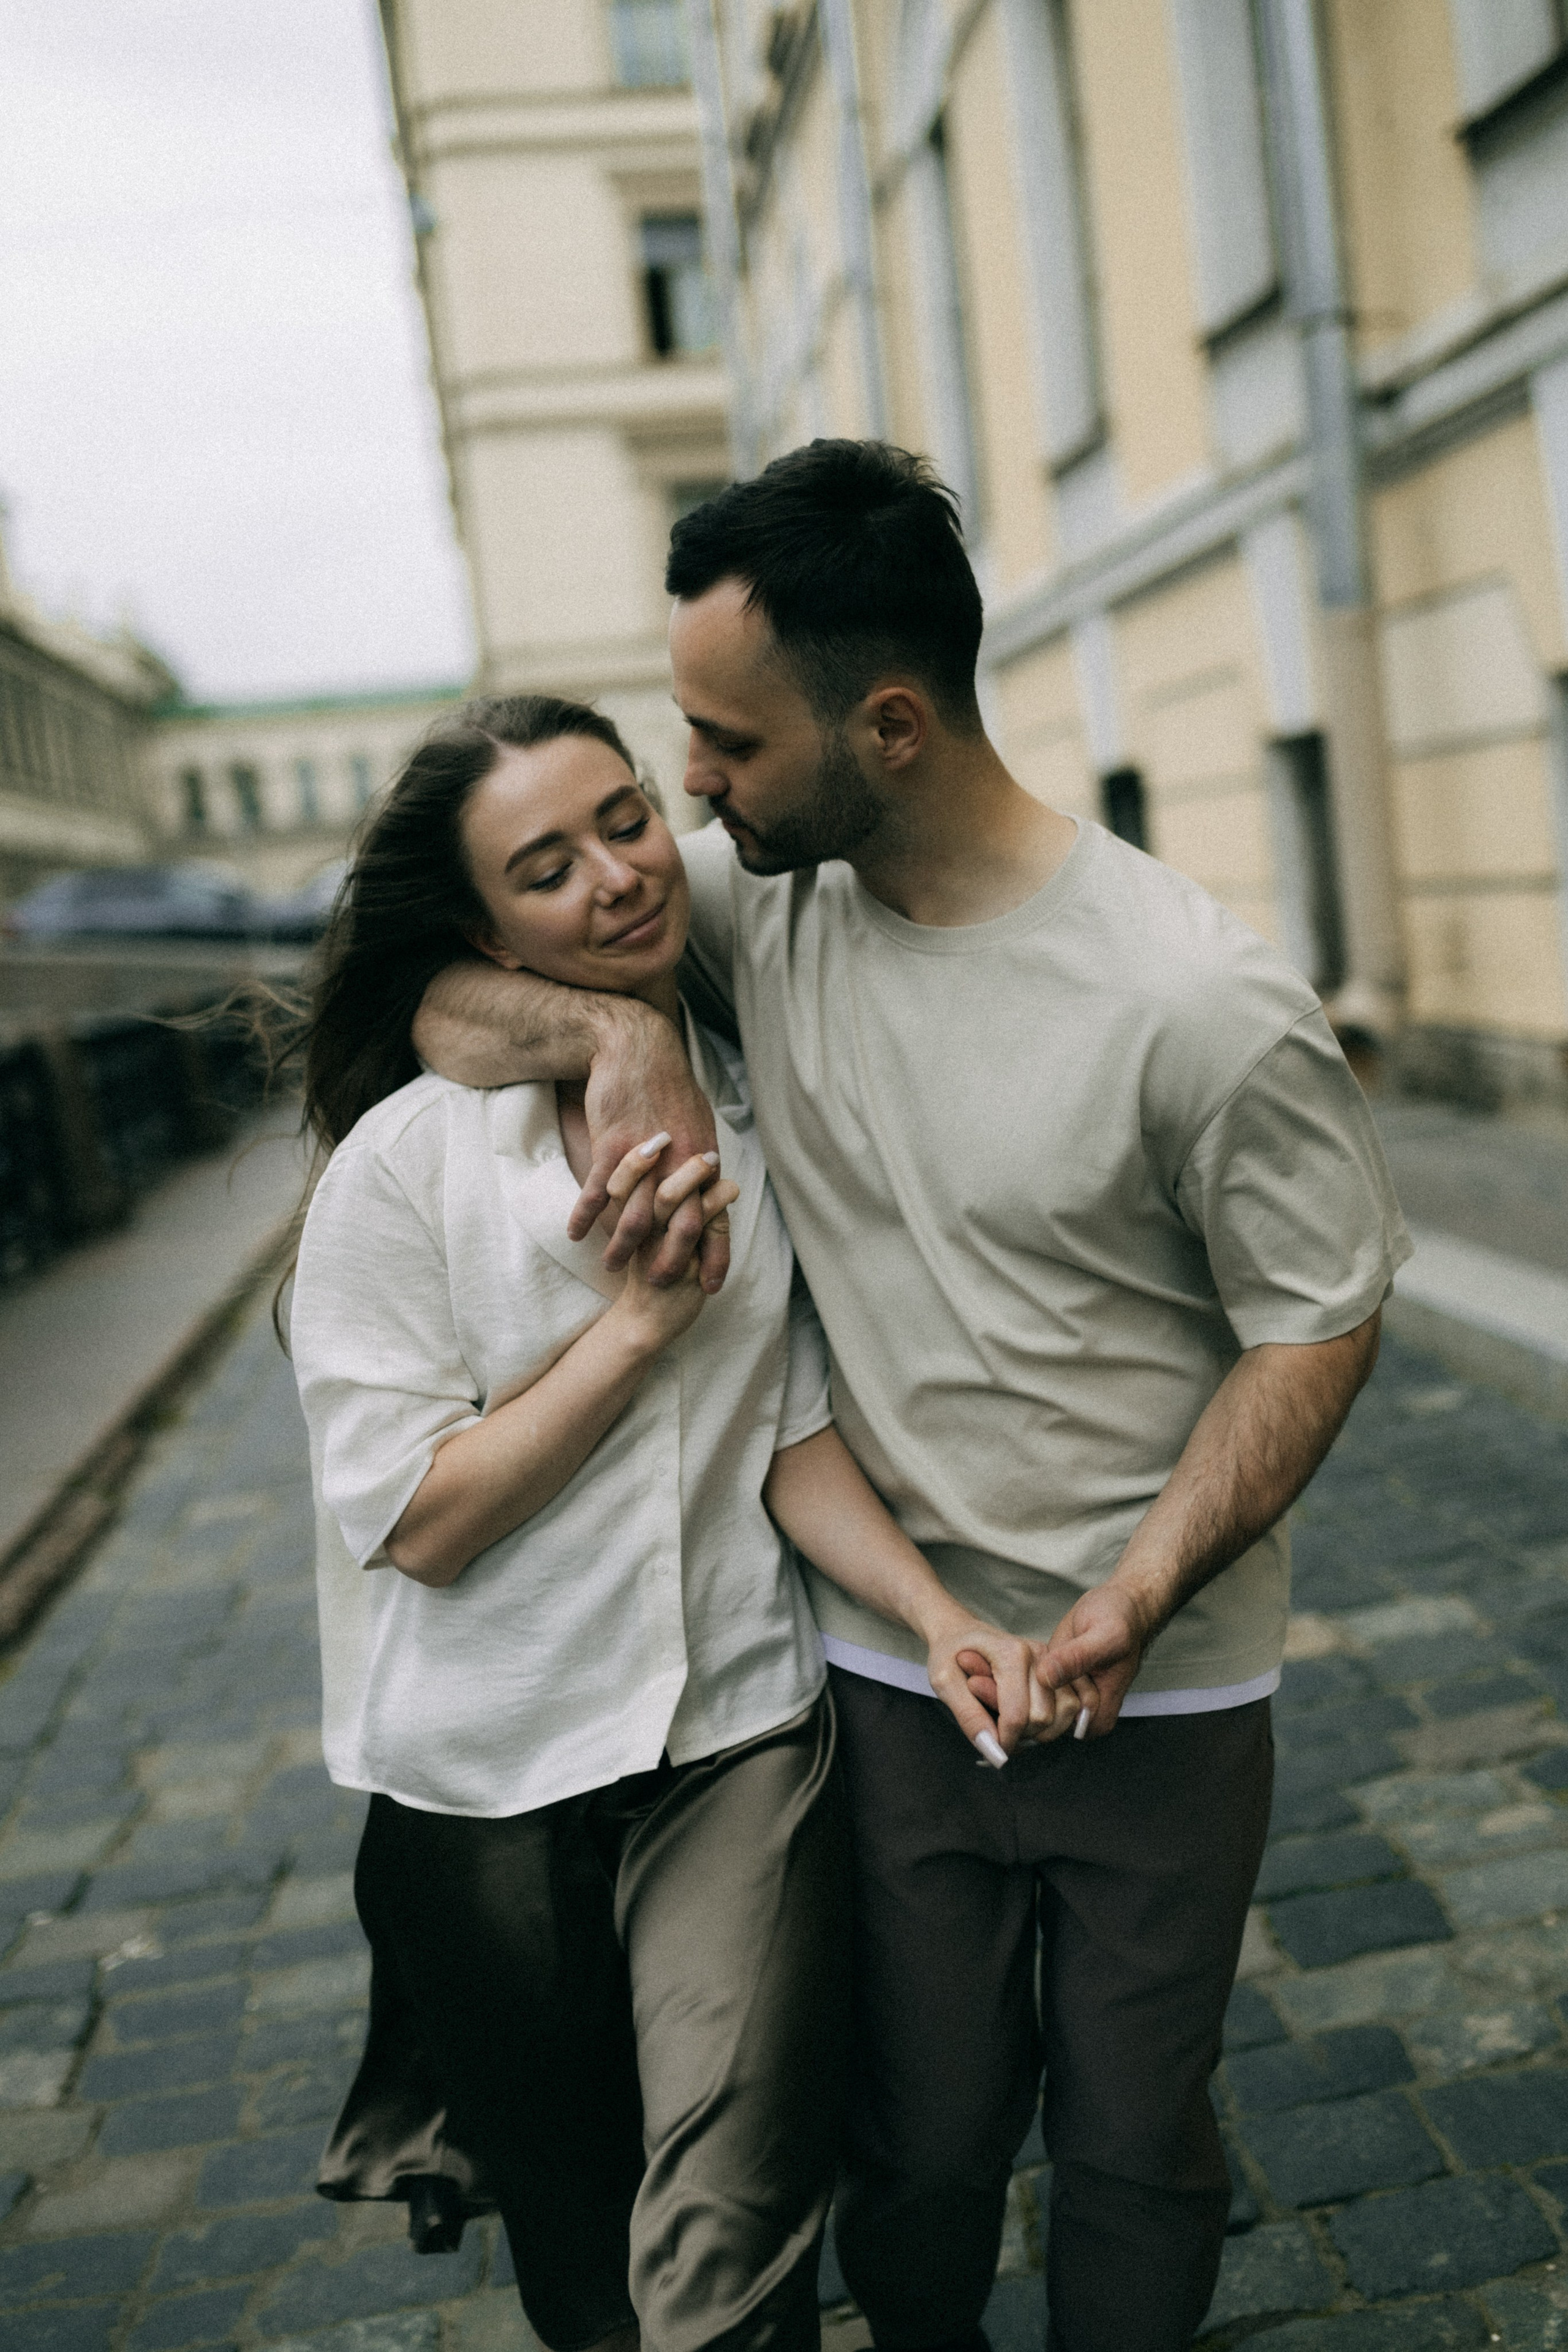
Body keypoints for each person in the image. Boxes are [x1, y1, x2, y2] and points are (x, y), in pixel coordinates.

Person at [412, 445, 1411, 2352]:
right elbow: (448, 997)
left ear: (888, 724)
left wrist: (1138, 1595)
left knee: (1135, 2145)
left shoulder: (1196, 999)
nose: (685, 788)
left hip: (1171, 1688)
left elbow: (1315, 1325)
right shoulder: (763, 903)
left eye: (721, 742)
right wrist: (620, 1028)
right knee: (922, 2148)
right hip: (882, 1680)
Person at [286, 691, 1057, 2352]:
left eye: (625, 821)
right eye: (544, 868)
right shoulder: (403, 1174)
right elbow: (421, 1519)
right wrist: (632, 1328)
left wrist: (939, 1618)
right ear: (484, 925)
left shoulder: (748, 1106)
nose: (617, 878)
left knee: (724, 2251)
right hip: (483, 1782)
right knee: (584, 2272)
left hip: (736, 1735)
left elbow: (783, 1437)